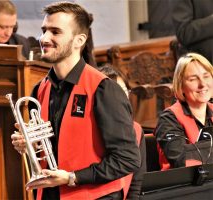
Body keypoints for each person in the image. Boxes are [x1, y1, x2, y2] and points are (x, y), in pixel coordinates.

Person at [11, 2, 141, 200]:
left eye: (55, 32)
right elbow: (53, 149)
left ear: (79, 40)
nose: (44, 38)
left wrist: (73, 177)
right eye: (44, 30)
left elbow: (127, 159)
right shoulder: (40, 88)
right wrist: (31, 145)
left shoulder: (104, 89)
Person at [155, 53, 213, 170]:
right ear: (180, 86)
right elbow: (181, 161)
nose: (202, 84)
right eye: (193, 79)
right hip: (187, 185)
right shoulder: (168, 119)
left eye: (206, 76)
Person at [97, 65, 146, 200]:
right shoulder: (91, 130)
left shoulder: (136, 128)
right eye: (114, 92)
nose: (119, 98)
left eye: (123, 91)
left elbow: (137, 181)